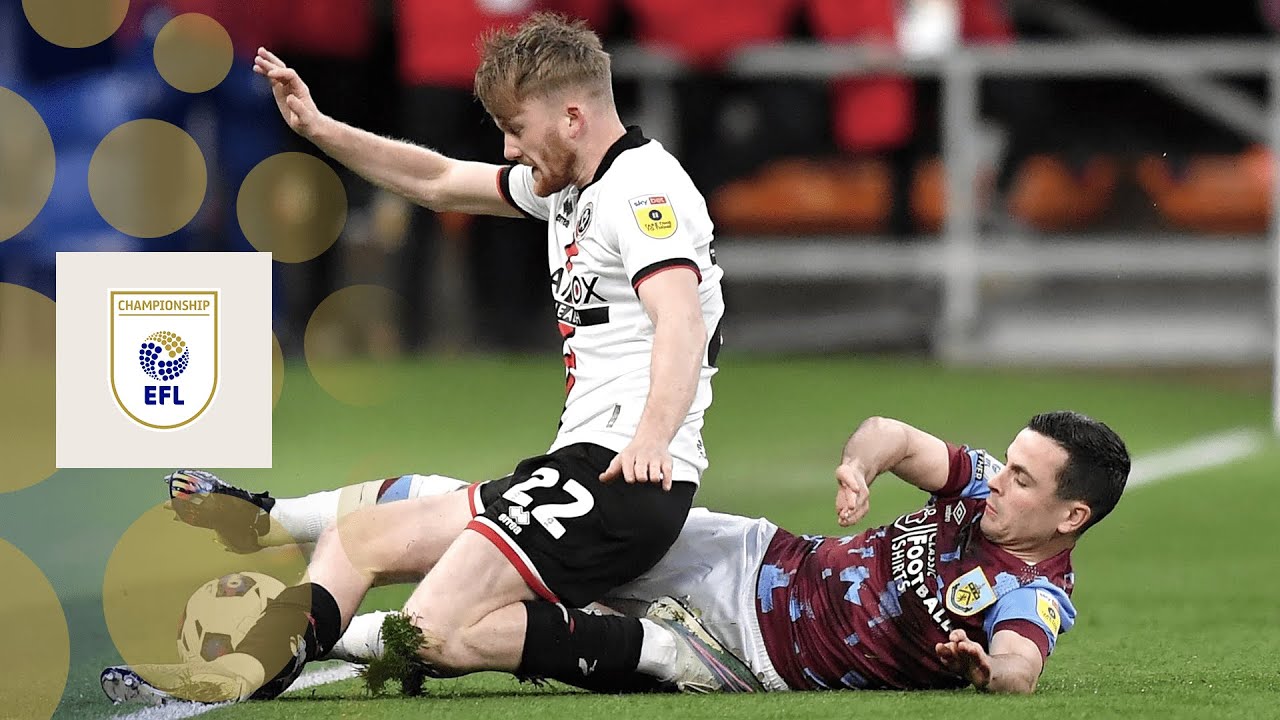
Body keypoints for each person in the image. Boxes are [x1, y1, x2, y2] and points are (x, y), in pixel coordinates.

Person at [104, 11, 727, 703]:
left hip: (623, 479)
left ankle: (661, 651)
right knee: (358, 538)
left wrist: (651, 439)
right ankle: (241, 673)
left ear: (573, 118)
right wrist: (320, 129)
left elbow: (681, 320)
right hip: (571, 473)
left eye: (517, 130)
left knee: (427, 630)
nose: (509, 149)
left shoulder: (644, 189)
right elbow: (436, 179)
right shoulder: (575, 188)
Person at [102, 410, 1129, 702]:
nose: (998, 481)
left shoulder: (1028, 591)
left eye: (1024, 483)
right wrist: (861, 468)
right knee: (504, 511)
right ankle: (271, 518)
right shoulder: (981, 488)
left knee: (462, 638)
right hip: (744, 555)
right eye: (1007, 465)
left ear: (1068, 518)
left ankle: (255, 666)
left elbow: (1021, 672)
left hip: (738, 660)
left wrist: (978, 669)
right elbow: (894, 435)